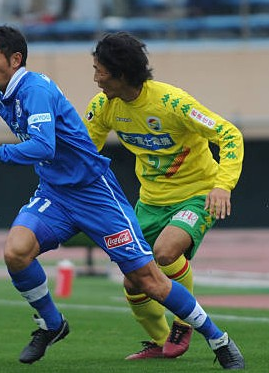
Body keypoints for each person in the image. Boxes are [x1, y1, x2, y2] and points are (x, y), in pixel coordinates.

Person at [0, 25, 245, 369]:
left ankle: (218, 339)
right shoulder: (5, 95)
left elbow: (43, 145)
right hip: (57, 194)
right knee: (16, 252)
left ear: (15, 60)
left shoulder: (36, 91)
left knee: (149, 277)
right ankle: (51, 323)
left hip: (97, 194)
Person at [83, 31, 244, 361]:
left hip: (197, 195)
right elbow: (84, 152)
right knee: (132, 281)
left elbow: (228, 133)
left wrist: (222, 185)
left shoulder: (172, 103)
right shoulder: (103, 107)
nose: (96, 78)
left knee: (165, 252)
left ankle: (183, 320)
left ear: (122, 73)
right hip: (150, 202)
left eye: (100, 70)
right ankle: (160, 342)